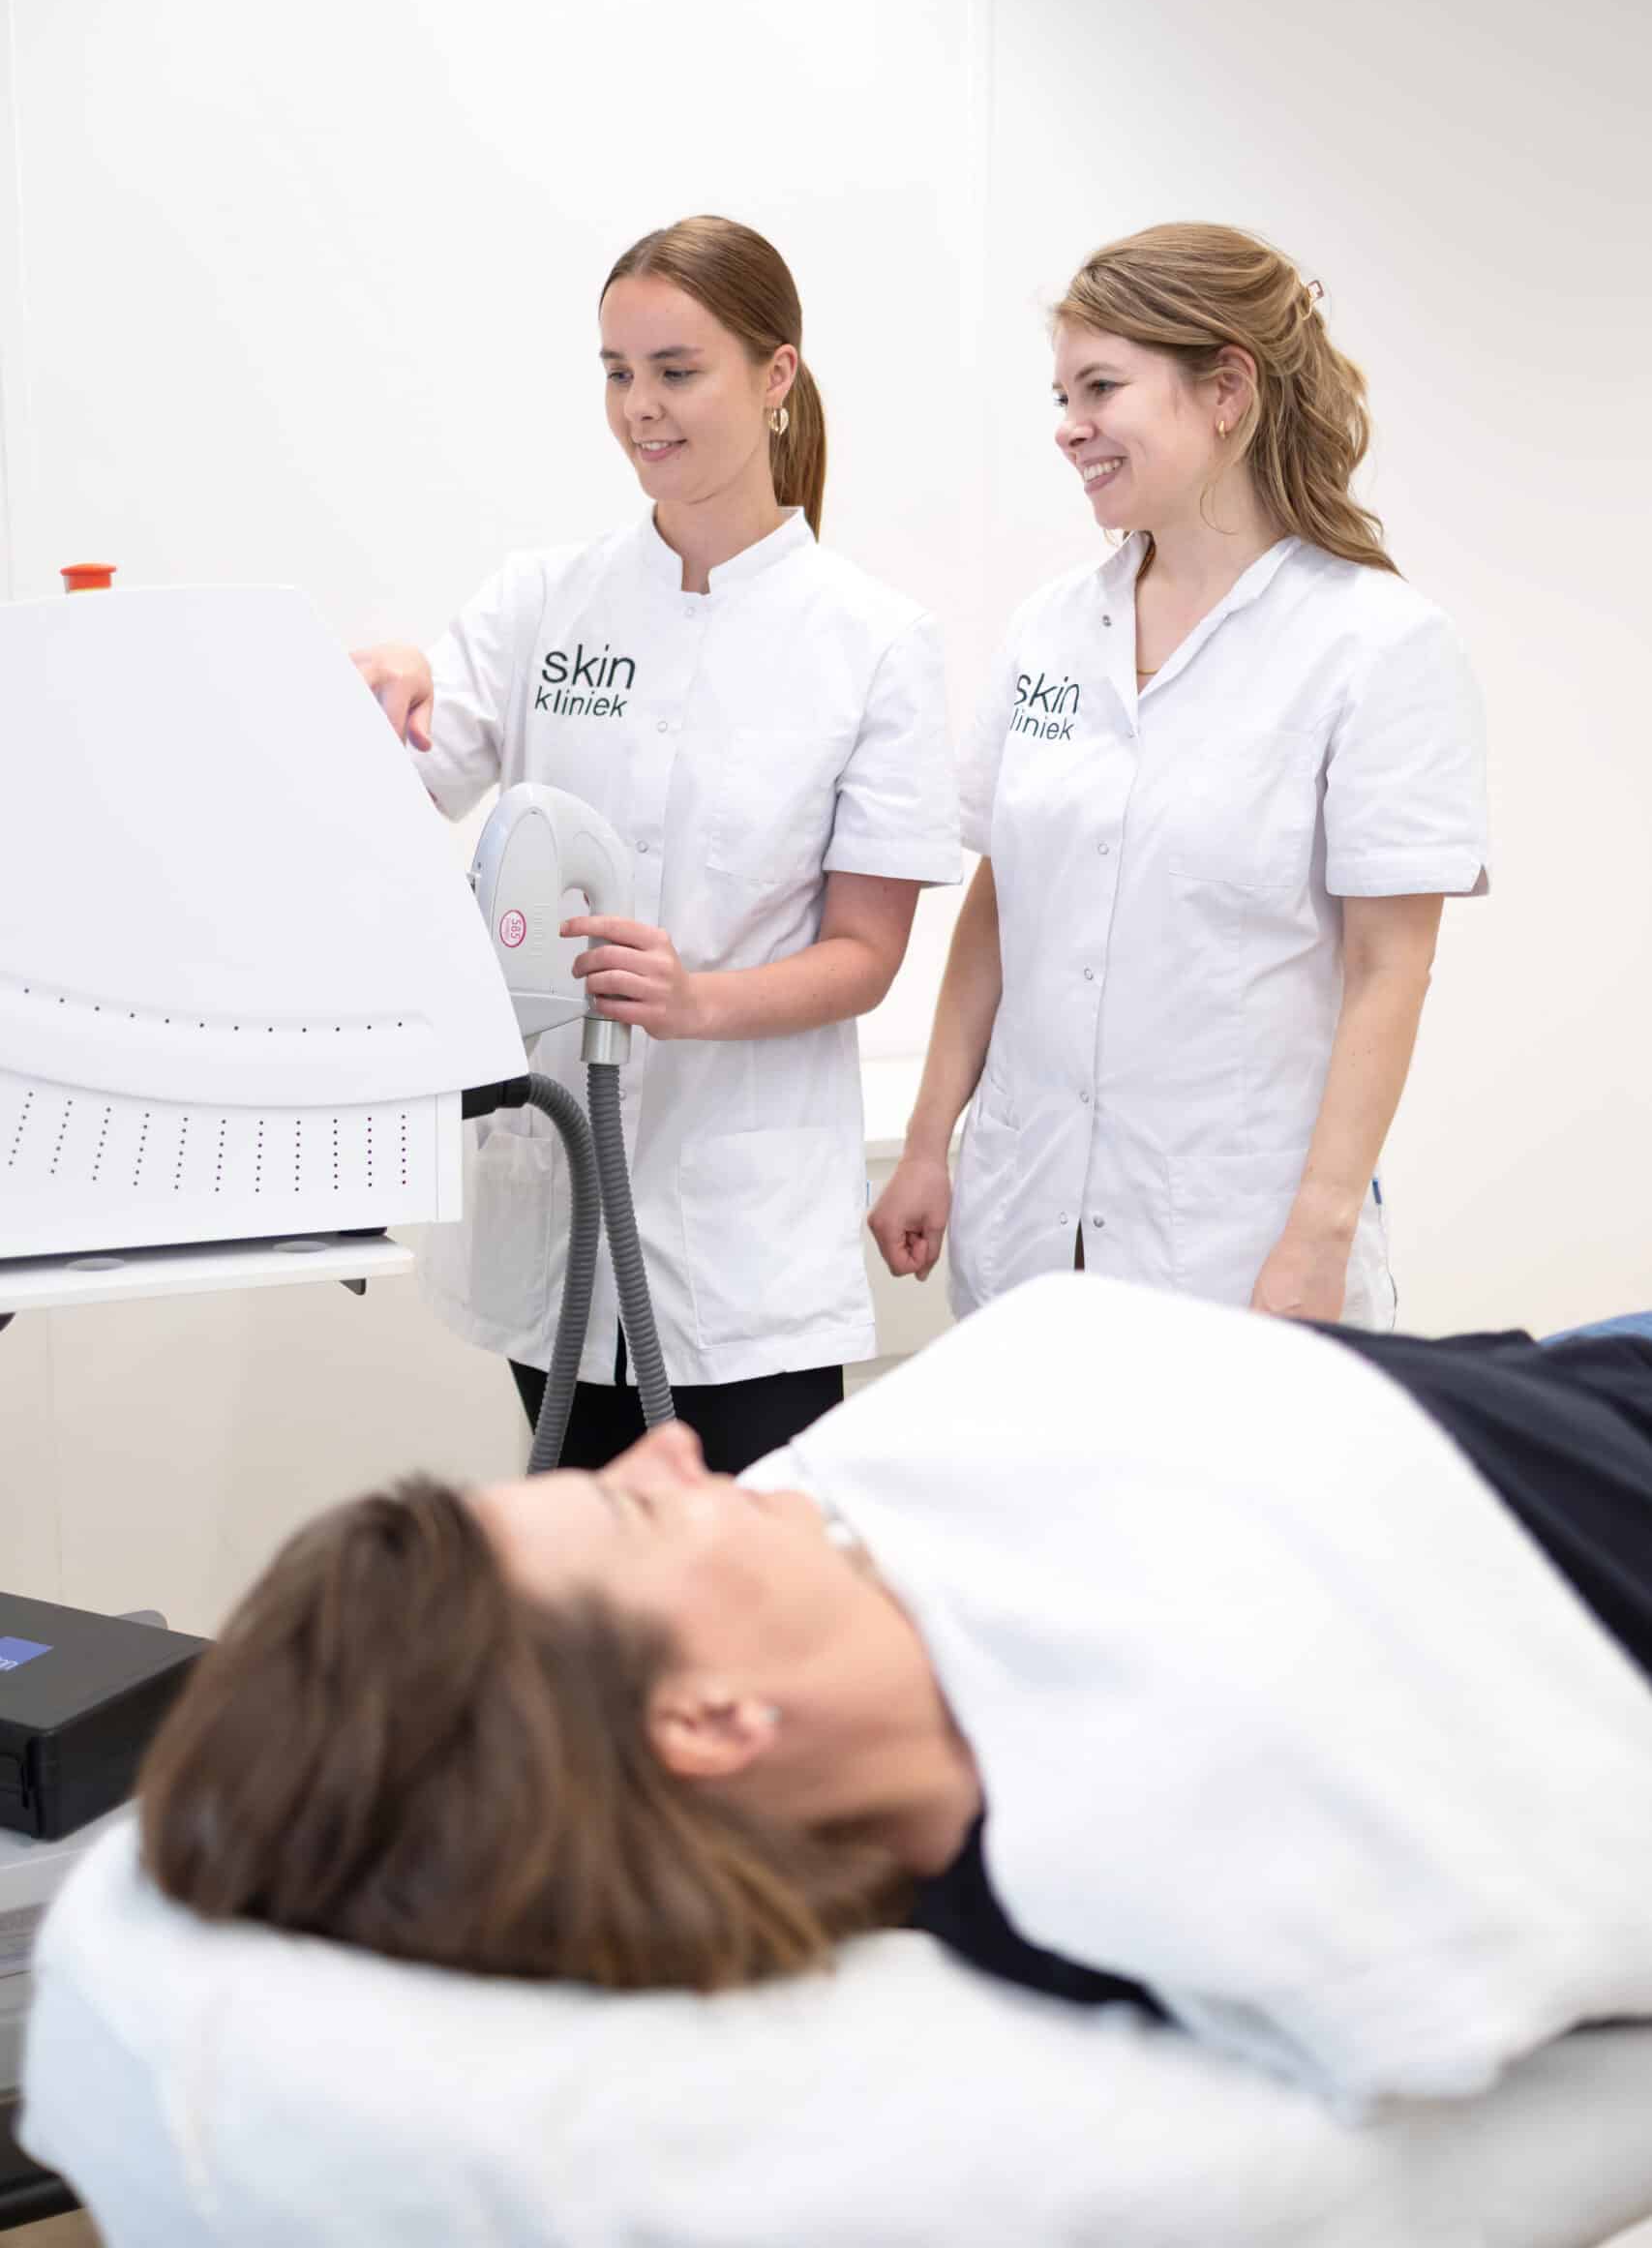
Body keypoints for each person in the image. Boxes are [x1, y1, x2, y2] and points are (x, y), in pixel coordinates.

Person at [139, 1276, 1652, 2110]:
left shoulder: (815, 1544)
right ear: (707, 1720)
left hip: (1556, 1360)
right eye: (634, 1507)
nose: (675, 1450)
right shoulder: (1141, 1831)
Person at [351, 217, 960, 1472]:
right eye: (618, 372)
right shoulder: (541, 601)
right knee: (580, 1565)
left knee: (737, 1571)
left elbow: (864, 953)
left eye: (677, 371)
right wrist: (381, 685)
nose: (640, 407)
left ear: (775, 375)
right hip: (553, 1211)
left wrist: (696, 1001)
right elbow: (394, 785)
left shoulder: (870, 642)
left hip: (743, 1246)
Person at [870, 223, 1488, 1330]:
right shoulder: (1053, 628)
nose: (1069, 427)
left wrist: (1319, 1236)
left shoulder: (1376, 645)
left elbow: (1389, 968)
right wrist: (927, 1142)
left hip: (1240, 1250)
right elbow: (1004, 904)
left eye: (1101, 388)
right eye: (1062, 395)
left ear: (1227, 391)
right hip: (1027, 1223)